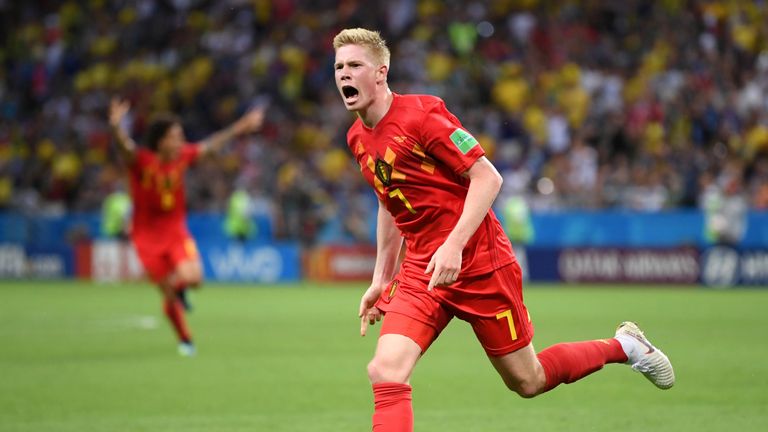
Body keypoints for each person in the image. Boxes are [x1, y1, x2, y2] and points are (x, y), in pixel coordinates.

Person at [332, 28, 674, 431]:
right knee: (385, 370)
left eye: (355, 65)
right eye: (339, 67)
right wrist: (381, 277)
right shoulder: (357, 137)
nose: (344, 74)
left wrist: (454, 245)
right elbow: (387, 201)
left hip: (478, 262)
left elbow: (488, 178)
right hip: (423, 271)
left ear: (380, 72)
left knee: (528, 380)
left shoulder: (422, 115)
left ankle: (625, 346)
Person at [108, 98, 265, 356]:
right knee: (167, 293)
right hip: (145, 237)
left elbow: (211, 145)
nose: (181, 141)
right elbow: (125, 148)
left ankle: (180, 292)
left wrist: (241, 127)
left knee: (194, 279)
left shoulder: (182, 156)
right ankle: (185, 339)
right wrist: (116, 127)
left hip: (175, 230)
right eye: (175, 136)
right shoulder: (142, 162)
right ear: (161, 141)